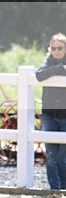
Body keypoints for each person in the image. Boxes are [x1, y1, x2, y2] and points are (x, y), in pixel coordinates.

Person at [34, 33, 66, 190]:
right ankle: (54, 188)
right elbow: (39, 75)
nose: (57, 51)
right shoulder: (47, 63)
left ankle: (64, 187)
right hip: (49, 115)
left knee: (62, 157)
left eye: (60, 48)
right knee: (51, 156)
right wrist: (60, 68)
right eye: (54, 48)